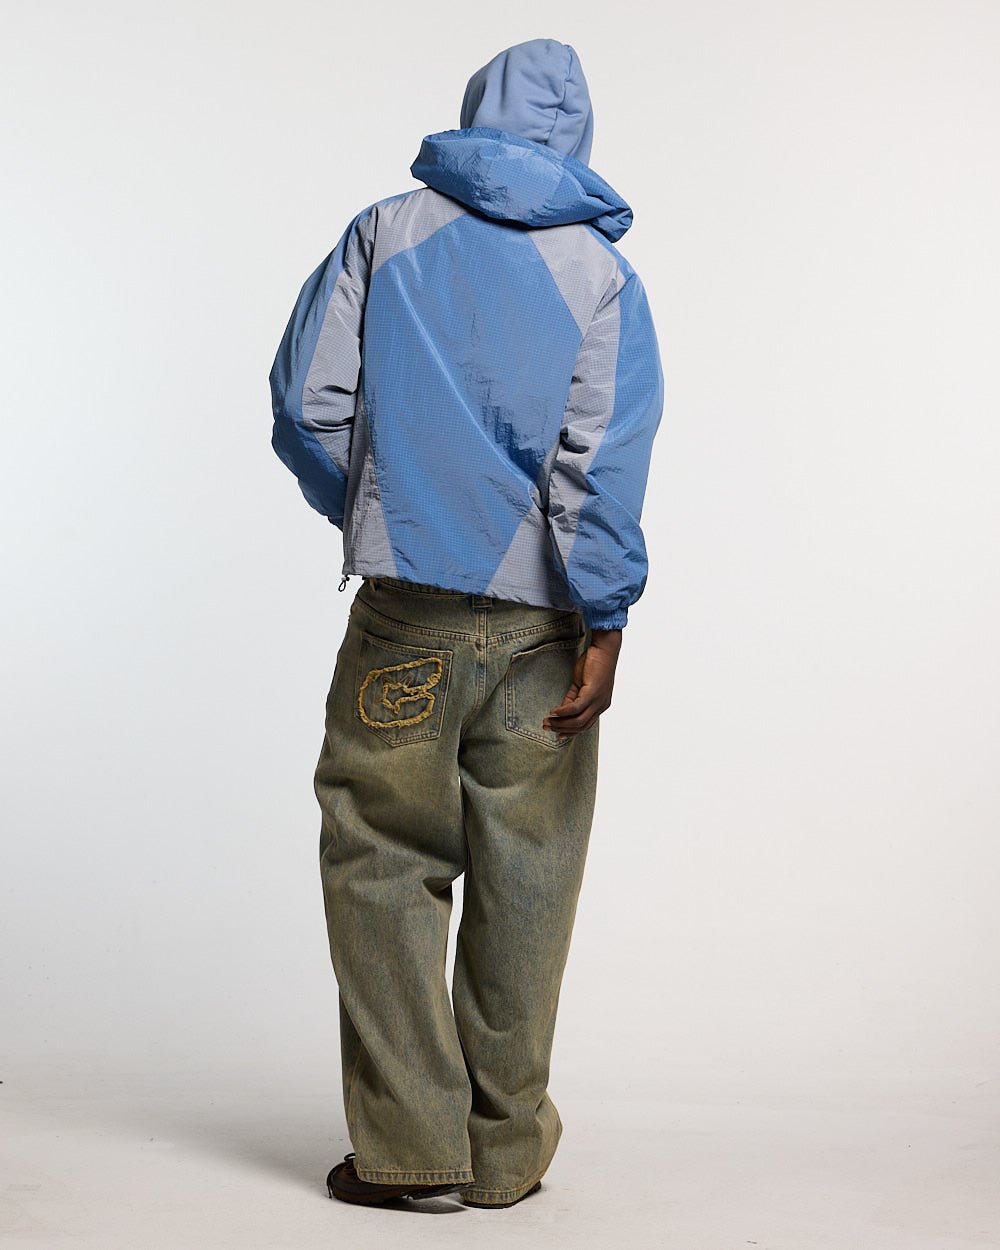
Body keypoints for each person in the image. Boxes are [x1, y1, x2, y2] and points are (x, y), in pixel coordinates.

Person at [268, 37, 664, 1209]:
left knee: (383, 861)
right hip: (548, 624)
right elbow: (600, 472)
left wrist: (388, 512)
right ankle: (503, 1152)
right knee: (528, 873)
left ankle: (411, 1153)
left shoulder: (383, 233)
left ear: (472, 113)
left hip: (407, 613)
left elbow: (305, 406)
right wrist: (606, 620)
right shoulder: (603, 279)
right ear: (576, 140)